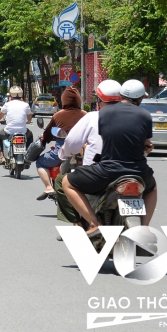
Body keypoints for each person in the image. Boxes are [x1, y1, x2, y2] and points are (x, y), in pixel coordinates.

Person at [61, 79, 158, 238]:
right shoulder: (145, 115)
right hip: (139, 172)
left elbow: (107, 136)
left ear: (121, 95)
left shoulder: (104, 113)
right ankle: (144, 228)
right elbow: (145, 143)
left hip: (107, 172)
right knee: (152, 189)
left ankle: (93, 224)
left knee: (67, 183)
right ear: (140, 99)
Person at [55, 80, 122, 225]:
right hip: (131, 172)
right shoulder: (134, 116)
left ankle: (88, 223)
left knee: (62, 182)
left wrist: (63, 154)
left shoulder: (93, 117)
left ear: (99, 101)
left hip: (100, 173)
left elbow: (72, 143)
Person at [33, 86, 86, 201]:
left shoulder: (58, 115)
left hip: (62, 151)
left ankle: (48, 187)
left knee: (41, 162)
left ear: (64, 100)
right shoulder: (85, 114)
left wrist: (45, 138)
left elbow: (47, 134)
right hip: (83, 153)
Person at [0, 86, 34, 165]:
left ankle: (2, 157)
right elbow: (29, 117)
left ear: (11, 95)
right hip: (23, 131)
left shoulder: (7, 104)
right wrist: (28, 121)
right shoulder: (26, 105)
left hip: (9, 131)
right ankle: (28, 155)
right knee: (30, 135)